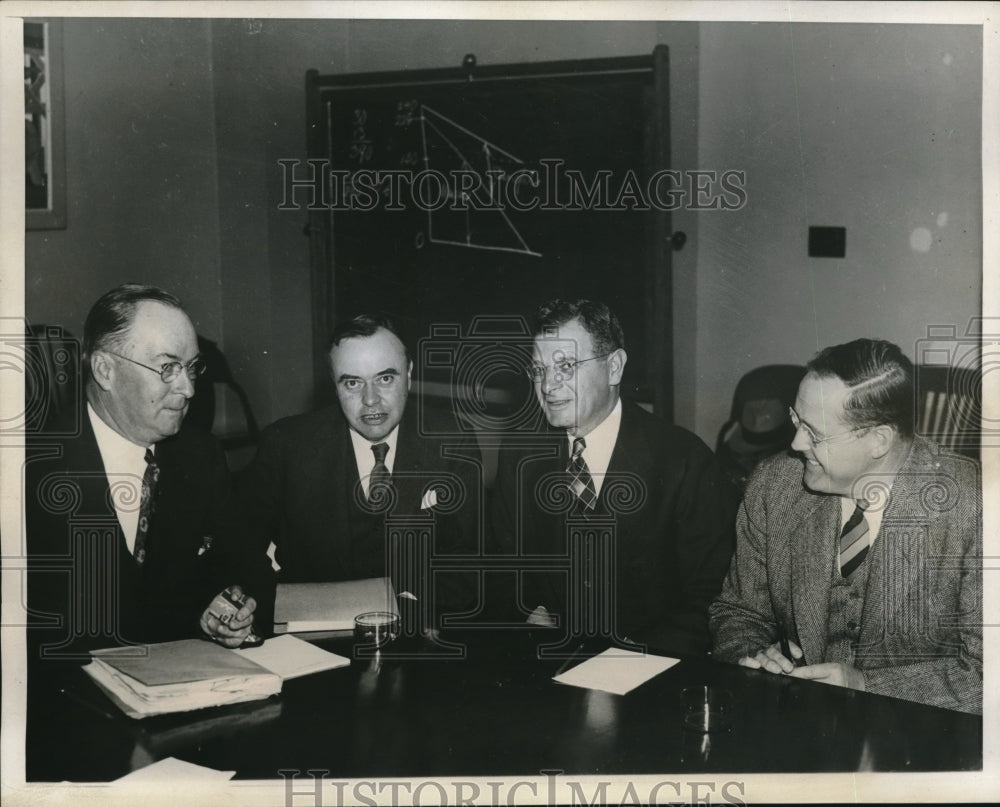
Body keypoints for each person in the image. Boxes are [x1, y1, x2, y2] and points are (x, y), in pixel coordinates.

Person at [709, 339, 982, 714]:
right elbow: (738, 612)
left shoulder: (976, 508)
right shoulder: (774, 485)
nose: (795, 443)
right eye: (796, 420)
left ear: (878, 440)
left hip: (917, 731)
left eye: (814, 433)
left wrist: (867, 686)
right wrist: (755, 657)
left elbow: (985, 673)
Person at [26, 285, 271, 657]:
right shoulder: (28, 467)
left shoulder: (199, 455)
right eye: (167, 367)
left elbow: (246, 568)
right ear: (105, 370)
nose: (188, 389)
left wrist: (219, 611)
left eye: (192, 367)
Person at [491, 299, 738, 655]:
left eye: (566, 366)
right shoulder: (520, 455)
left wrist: (629, 657)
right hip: (547, 658)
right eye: (539, 370)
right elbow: (501, 564)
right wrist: (526, 612)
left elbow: (714, 594)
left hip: (650, 665)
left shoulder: (684, 460)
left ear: (614, 368)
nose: (548, 386)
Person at [237, 314, 480, 625]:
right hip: (311, 632)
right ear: (334, 385)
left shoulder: (452, 439)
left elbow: (468, 562)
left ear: (408, 374)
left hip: (416, 626)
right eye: (352, 383)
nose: (370, 400)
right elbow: (240, 549)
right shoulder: (285, 445)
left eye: (385, 379)